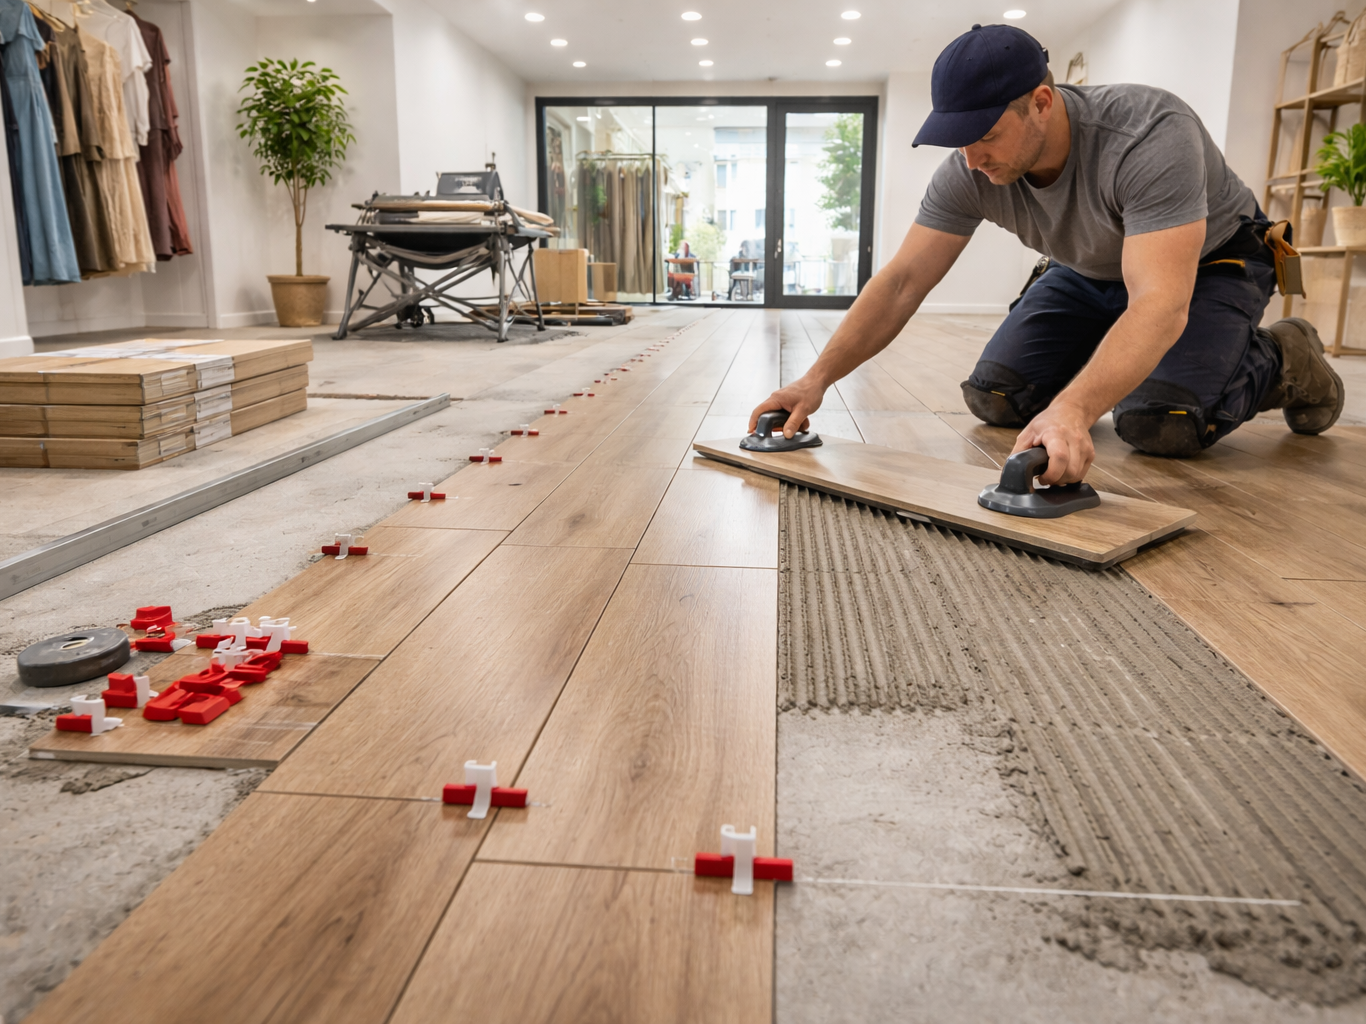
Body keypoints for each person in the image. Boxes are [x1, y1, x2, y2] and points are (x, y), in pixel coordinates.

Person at [749, 23, 1345, 485]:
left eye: (985, 136)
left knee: (1158, 422)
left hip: (1209, 266)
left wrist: (1076, 410)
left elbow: (1160, 304)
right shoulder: (968, 169)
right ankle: (1108, 365)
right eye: (959, 141)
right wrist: (815, 380)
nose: (971, 160)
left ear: (1041, 101)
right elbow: (905, 280)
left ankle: (1286, 356)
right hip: (1087, 270)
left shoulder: (1148, 133)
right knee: (998, 398)